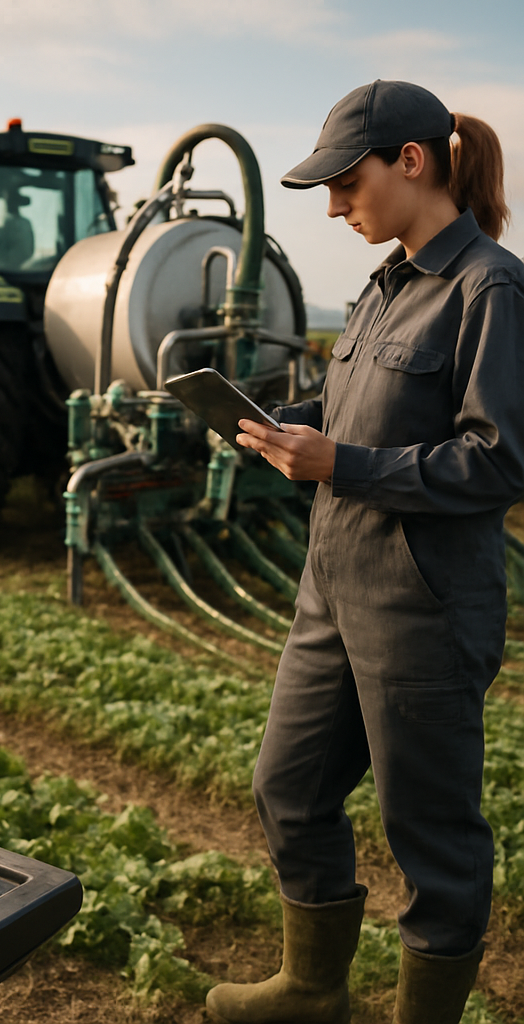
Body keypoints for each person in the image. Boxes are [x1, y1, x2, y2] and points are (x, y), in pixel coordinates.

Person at [205, 80, 524, 1024]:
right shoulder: (384, 284)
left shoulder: (489, 287)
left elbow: (499, 461)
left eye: (347, 185)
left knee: (430, 833)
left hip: (422, 604)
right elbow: (361, 416)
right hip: (332, 588)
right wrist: (278, 428)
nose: (337, 207)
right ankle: (313, 990)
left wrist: (339, 460)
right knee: (288, 785)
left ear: (411, 161)